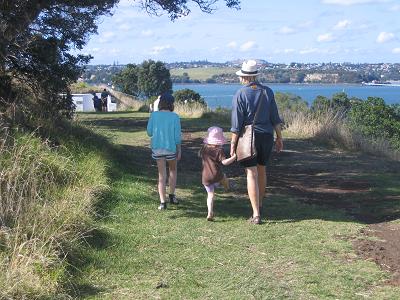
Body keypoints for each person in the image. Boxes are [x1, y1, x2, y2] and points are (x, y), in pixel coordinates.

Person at [230, 60, 283, 225]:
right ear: (255, 76)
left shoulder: (240, 94)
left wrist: (232, 145)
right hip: (267, 136)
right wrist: (279, 137)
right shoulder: (268, 91)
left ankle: (256, 214)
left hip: (248, 138)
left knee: (251, 173)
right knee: (262, 171)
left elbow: (236, 124)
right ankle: (260, 205)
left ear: (244, 77)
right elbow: (275, 117)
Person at [147, 92, 181, 210]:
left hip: (157, 148)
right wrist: (179, 149)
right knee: (173, 171)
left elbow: (149, 132)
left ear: (160, 103)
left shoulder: (154, 115)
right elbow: (177, 136)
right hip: (171, 148)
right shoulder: (175, 117)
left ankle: (162, 202)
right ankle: (172, 195)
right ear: (171, 104)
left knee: (161, 175)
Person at [199, 127, 236, 221]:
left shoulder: (204, 149)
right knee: (224, 177)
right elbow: (224, 162)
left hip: (205, 177)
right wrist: (234, 157)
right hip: (216, 175)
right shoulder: (219, 151)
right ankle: (227, 188)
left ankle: (210, 212)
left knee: (210, 194)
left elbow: (200, 155)